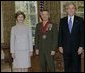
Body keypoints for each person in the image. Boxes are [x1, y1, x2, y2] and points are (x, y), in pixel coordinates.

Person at [58, 2, 84, 72]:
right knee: (67, 67)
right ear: (66, 10)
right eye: (69, 8)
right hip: (65, 48)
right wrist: (60, 46)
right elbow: (60, 34)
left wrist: (81, 46)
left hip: (77, 49)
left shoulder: (80, 20)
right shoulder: (62, 20)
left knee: (76, 67)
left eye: (73, 8)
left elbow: (82, 34)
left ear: (75, 10)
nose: (71, 10)